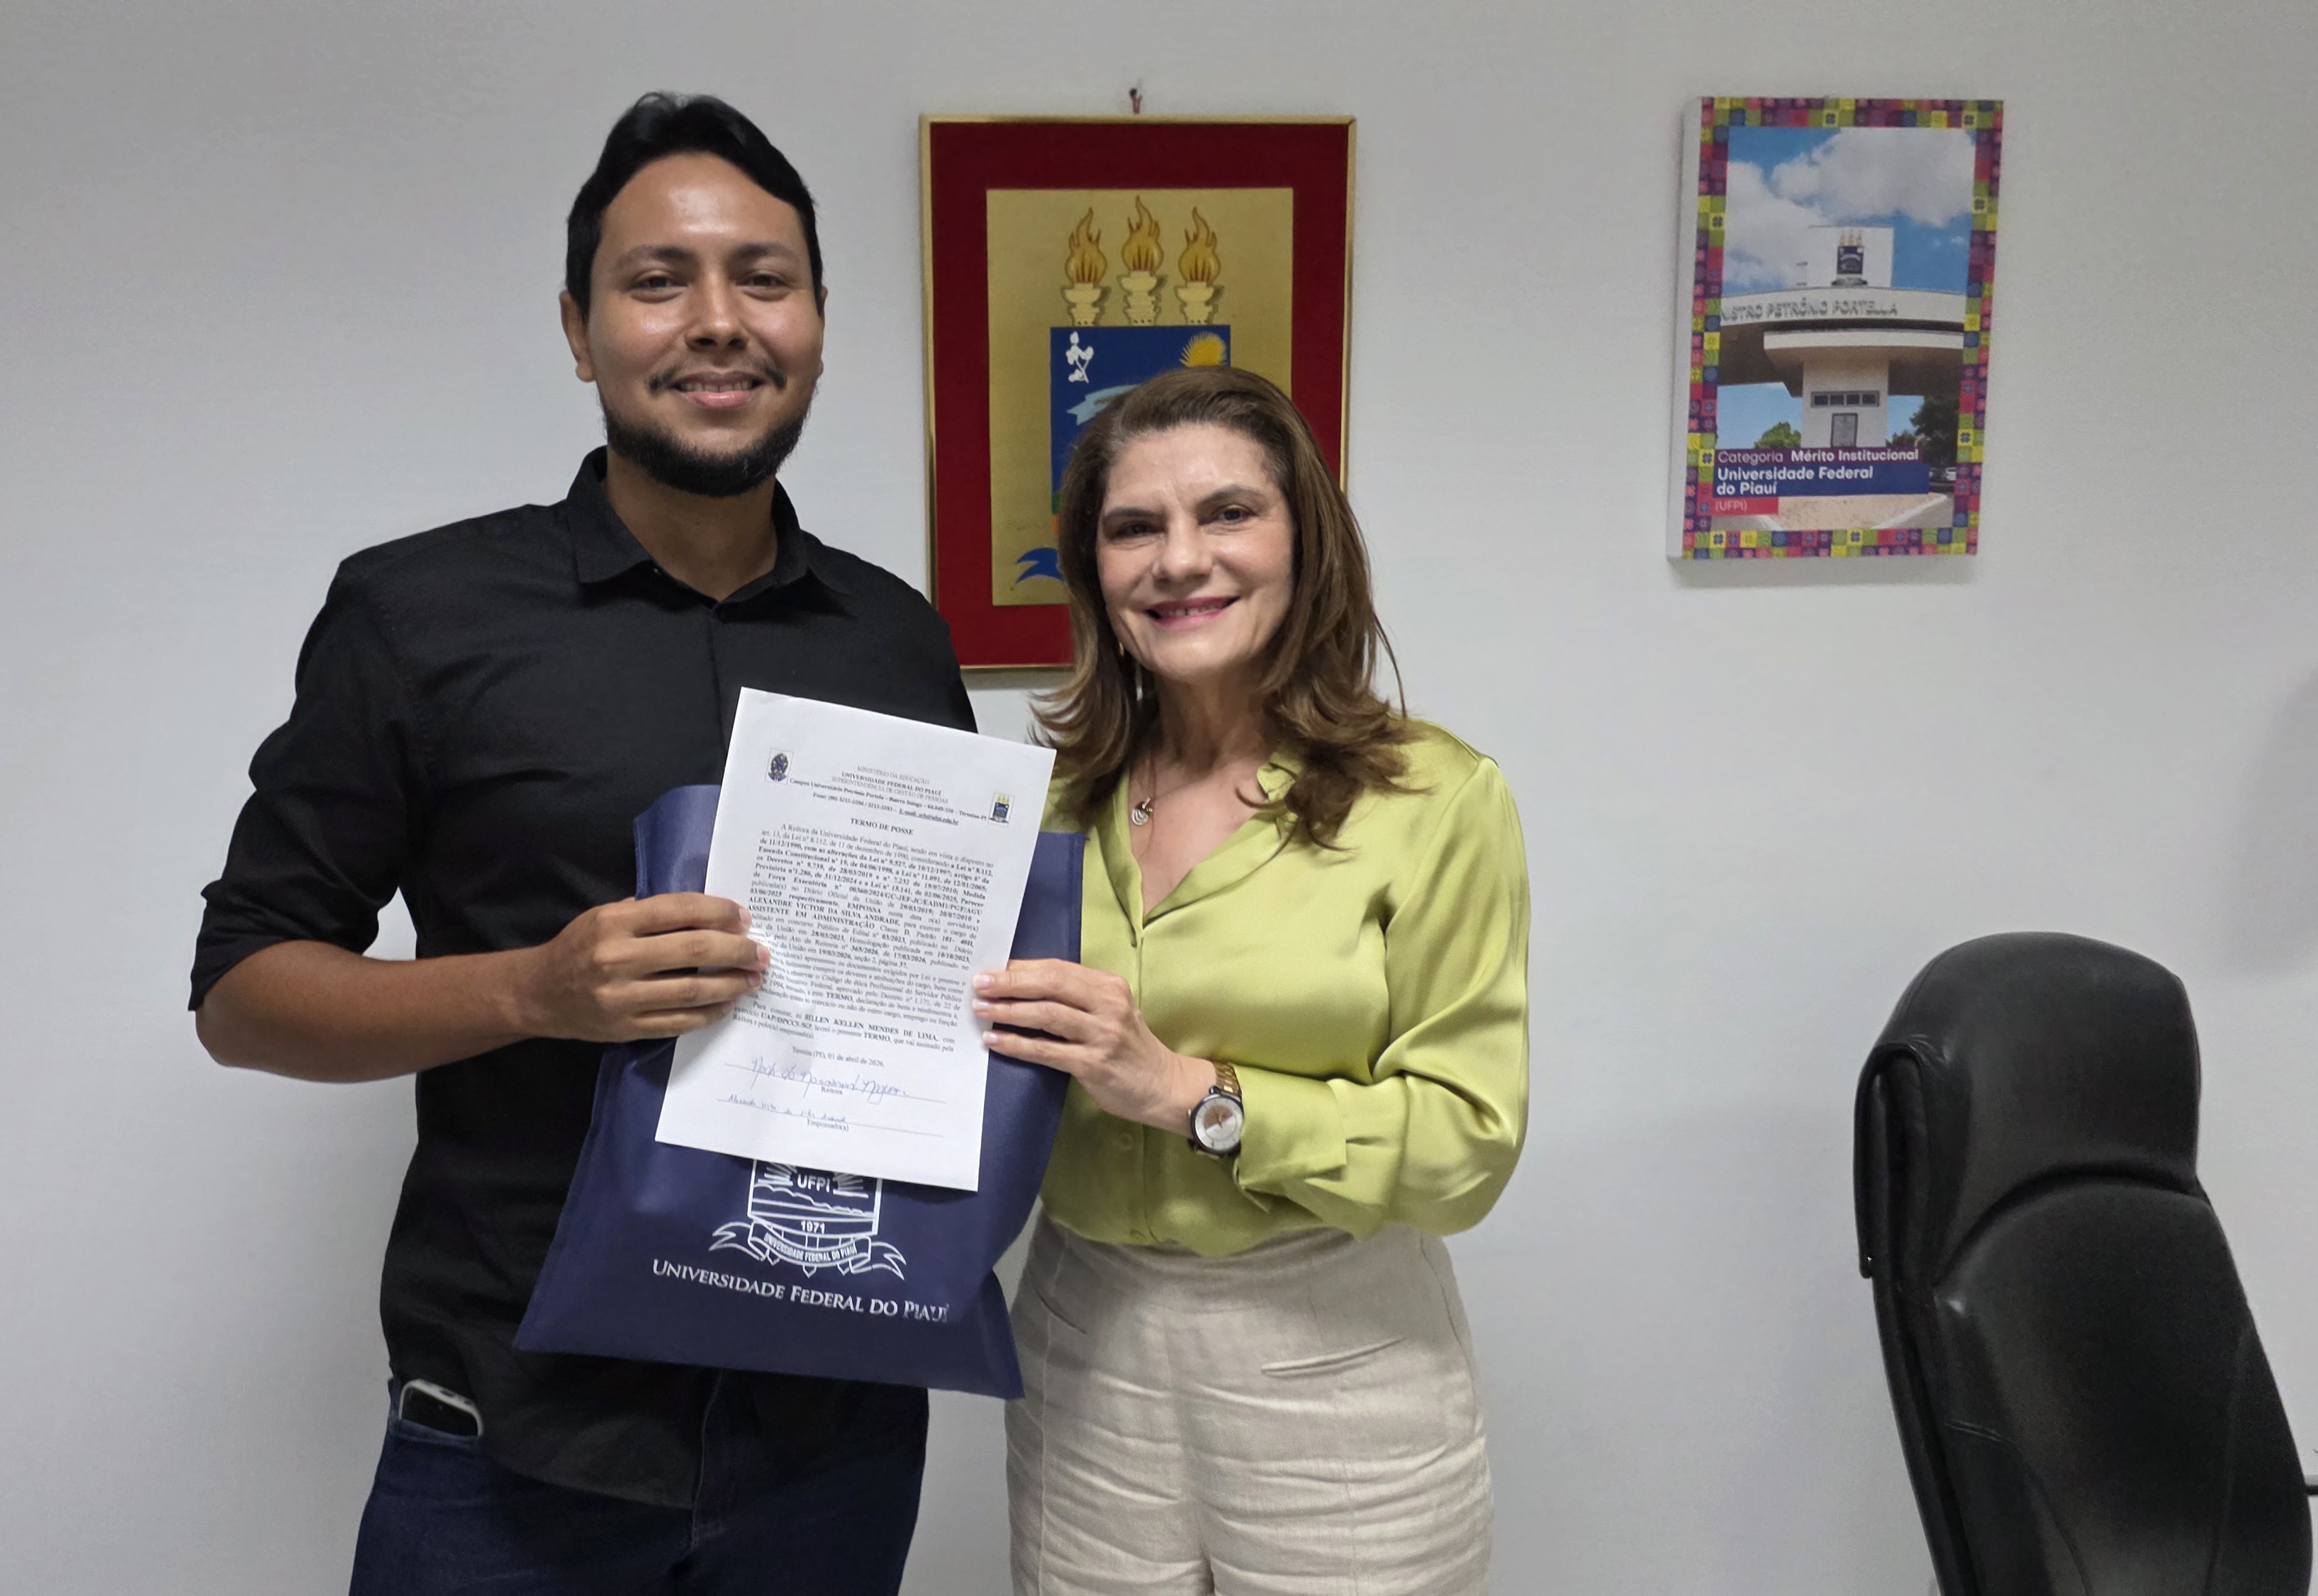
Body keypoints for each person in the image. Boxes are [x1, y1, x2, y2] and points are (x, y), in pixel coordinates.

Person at [191, 93, 972, 1595]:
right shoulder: (419, 615)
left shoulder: (896, 639)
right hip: (513, 1452)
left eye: (763, 277)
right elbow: (242, 993)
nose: (718, 320)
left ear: (817, 323)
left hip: (835, 1439)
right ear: (578, 328)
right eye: (657, 280)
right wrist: (530, 991)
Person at [973, 366, 1530, 1596]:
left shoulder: (1433, 800)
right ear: (1094, 572)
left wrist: (1192, 1094)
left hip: (1335, 1354)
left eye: (1228, 513)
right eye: (1135, 527)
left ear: (1304, 541)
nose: (1181, 560)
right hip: (1082, 1344)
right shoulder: (1042, 809)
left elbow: (1468, 1146)